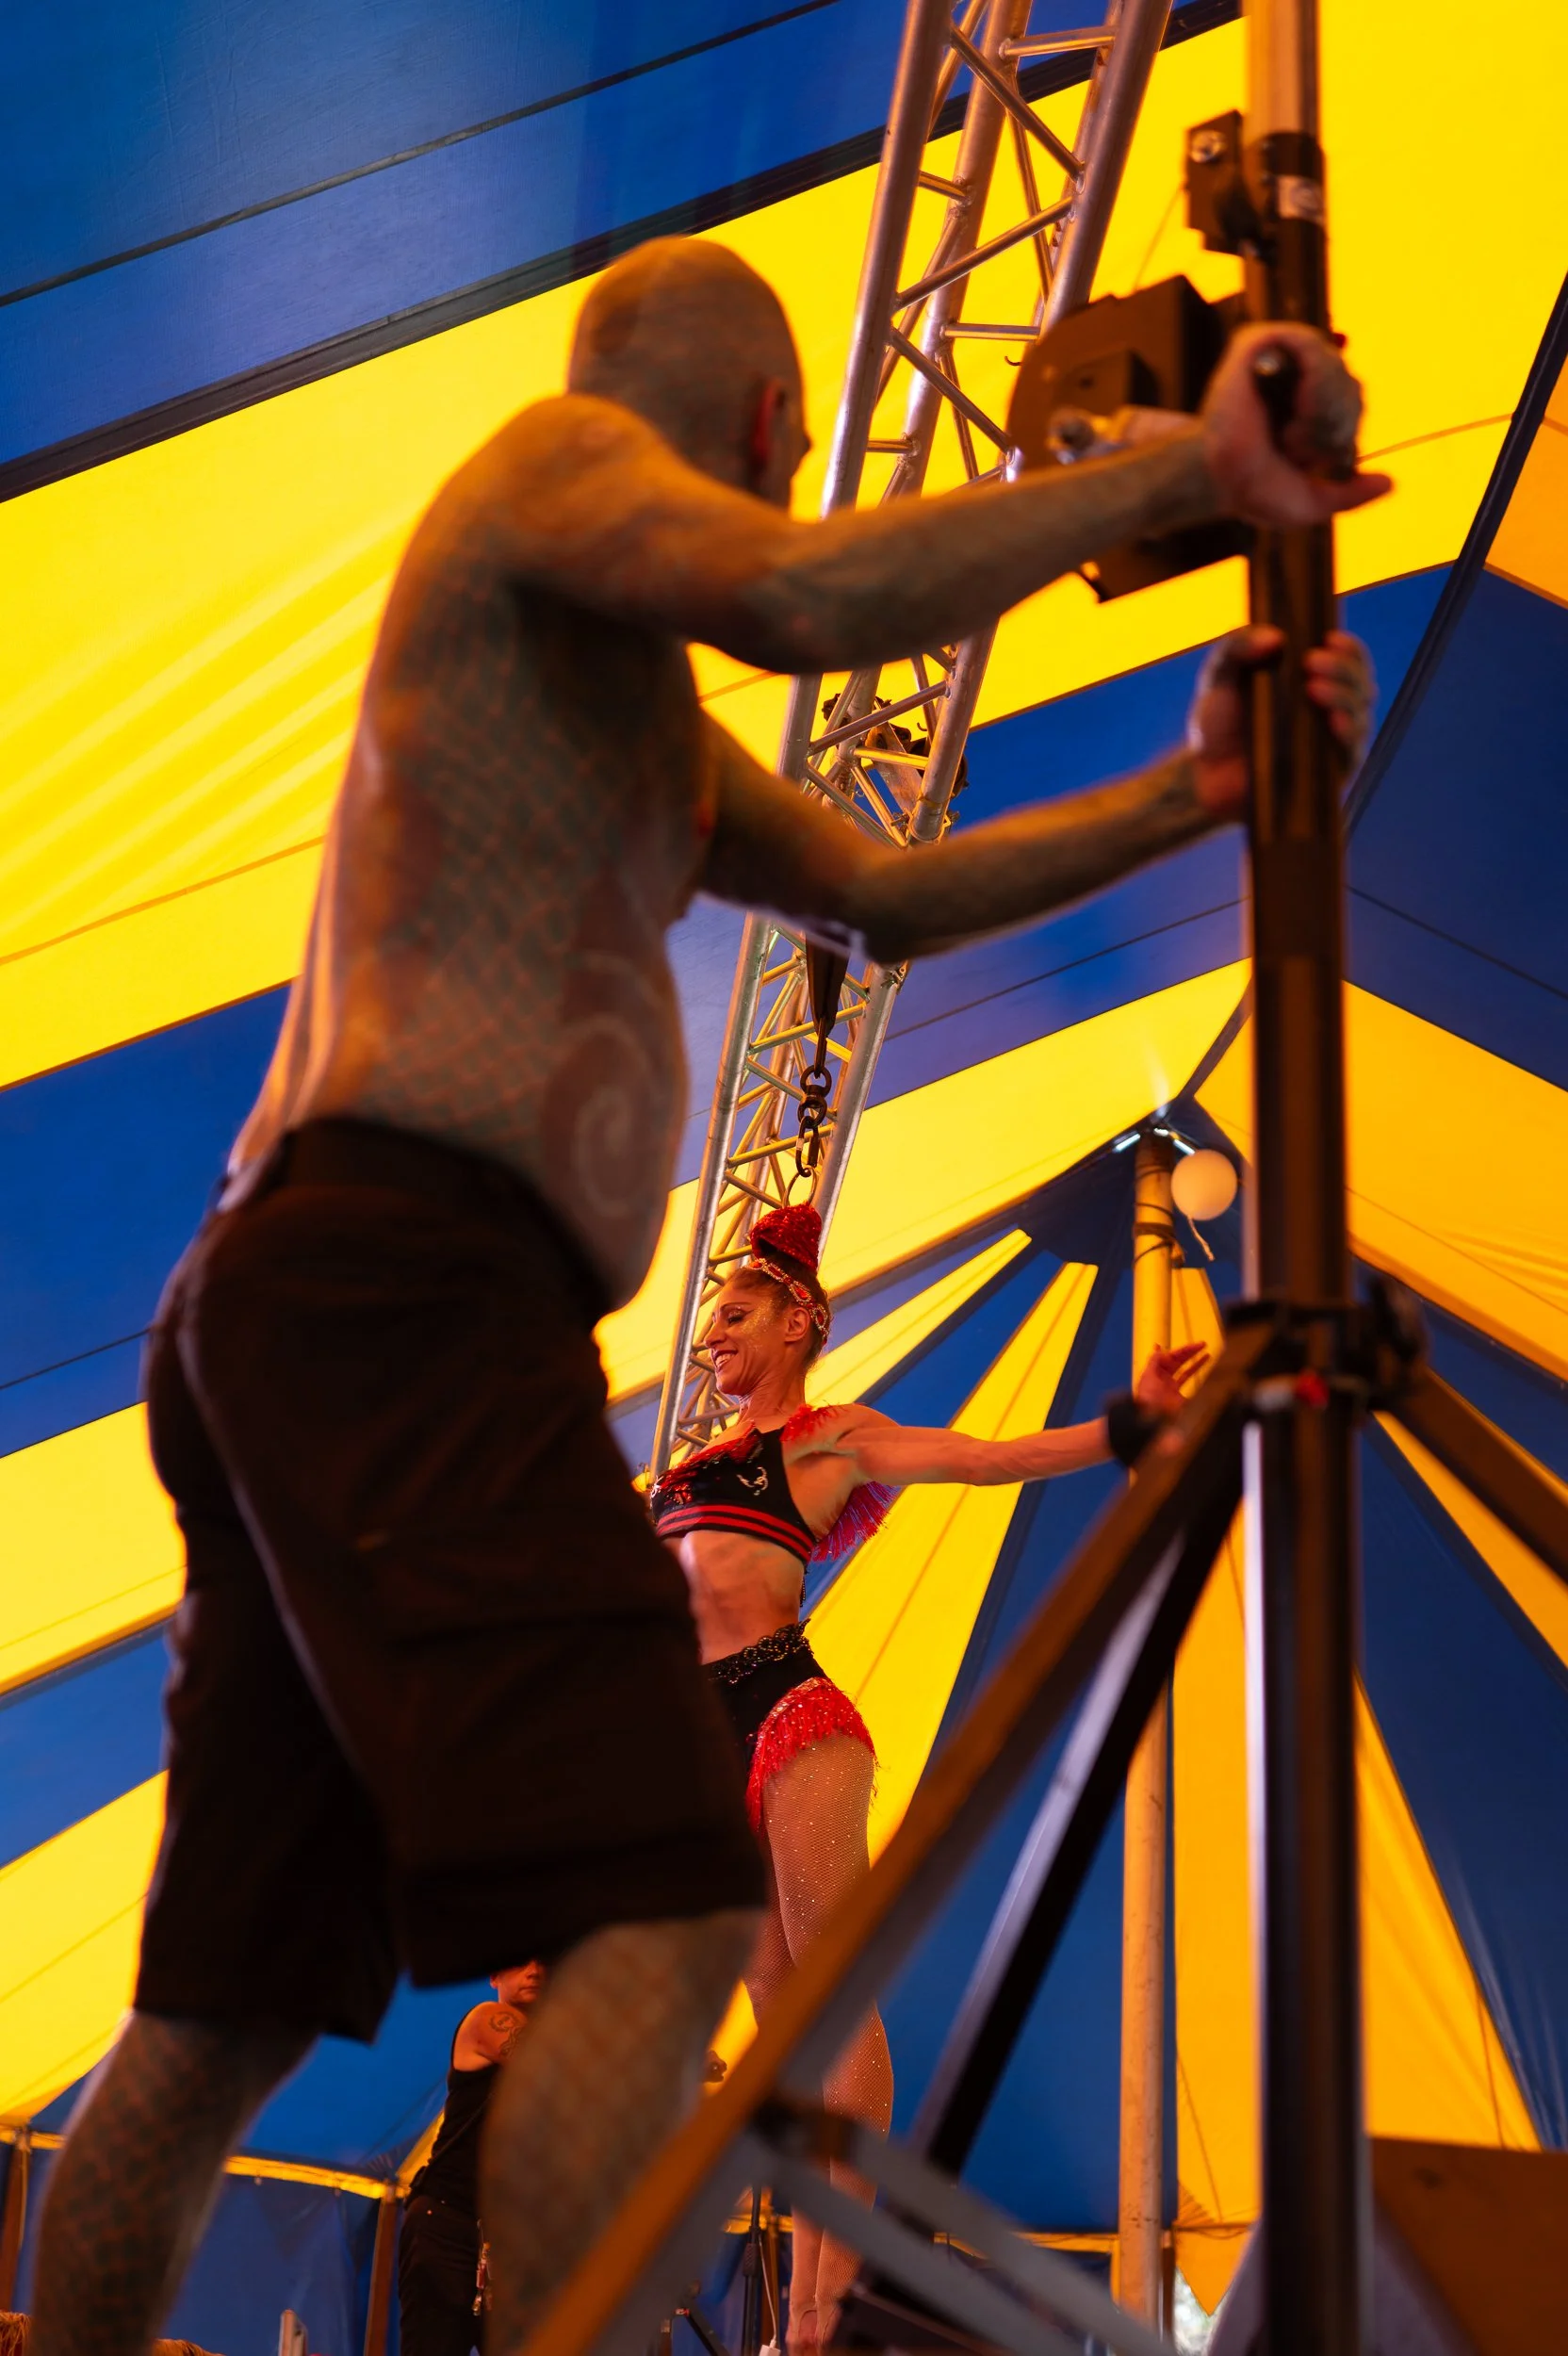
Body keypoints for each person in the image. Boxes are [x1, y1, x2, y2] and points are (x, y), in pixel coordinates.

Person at [25, 233, 1385, 2356]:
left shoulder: (615, 711)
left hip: (313, 1306)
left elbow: (877, 888)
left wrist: (1186, 794)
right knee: (659, 1889)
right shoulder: (547, 476)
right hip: (405, 1280)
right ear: (766, 426)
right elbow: (803, 596)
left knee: (219, 2008)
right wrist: (1171, 474)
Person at [647, 1209, 1200, 2349]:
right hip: (697, 1745)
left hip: (789, 1715)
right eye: (709, 1324)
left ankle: (823, 2309)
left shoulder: (822, 1440)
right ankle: (799, 2315)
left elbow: (982, 1459)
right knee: (775, 2026)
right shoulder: (677, 1474)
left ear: (798, 1319)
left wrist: (1122, 1425)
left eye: (735, 1315)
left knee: (826, 1984)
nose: (713, 1339)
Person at [400, 1966, 546, 2356]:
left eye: (545, 1959)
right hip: (447, 2225)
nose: (534, 1970)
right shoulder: (487, 2018)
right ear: (495, 1974)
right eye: (520, 1960)